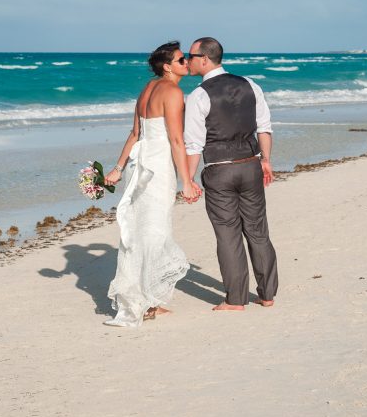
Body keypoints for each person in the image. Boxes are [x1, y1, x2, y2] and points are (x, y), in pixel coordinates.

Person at [103, 42, 202, 327]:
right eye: (182, 60)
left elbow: (135, 133)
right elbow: (175, 140)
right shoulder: (172, 91)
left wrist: (118, 168)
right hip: (157, 167)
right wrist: (187, 181)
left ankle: (144, 299)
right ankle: (147, 302)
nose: (187, 63)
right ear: (168, 66)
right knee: (154, 231)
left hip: (138, 165)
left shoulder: (147, 88)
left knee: (138, 230)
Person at [184, 37, 278, 312]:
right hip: (250, 164)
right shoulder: (250, 84)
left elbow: (194, 144)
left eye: (190, 56)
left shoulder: (199, 95)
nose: (187, 61)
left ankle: (235, 299)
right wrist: (267, 160)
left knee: (228, 234)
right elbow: (264, 127)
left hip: (219, 169)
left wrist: (188, 180)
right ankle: (267, 294)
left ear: (204, 59)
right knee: (257, 230)